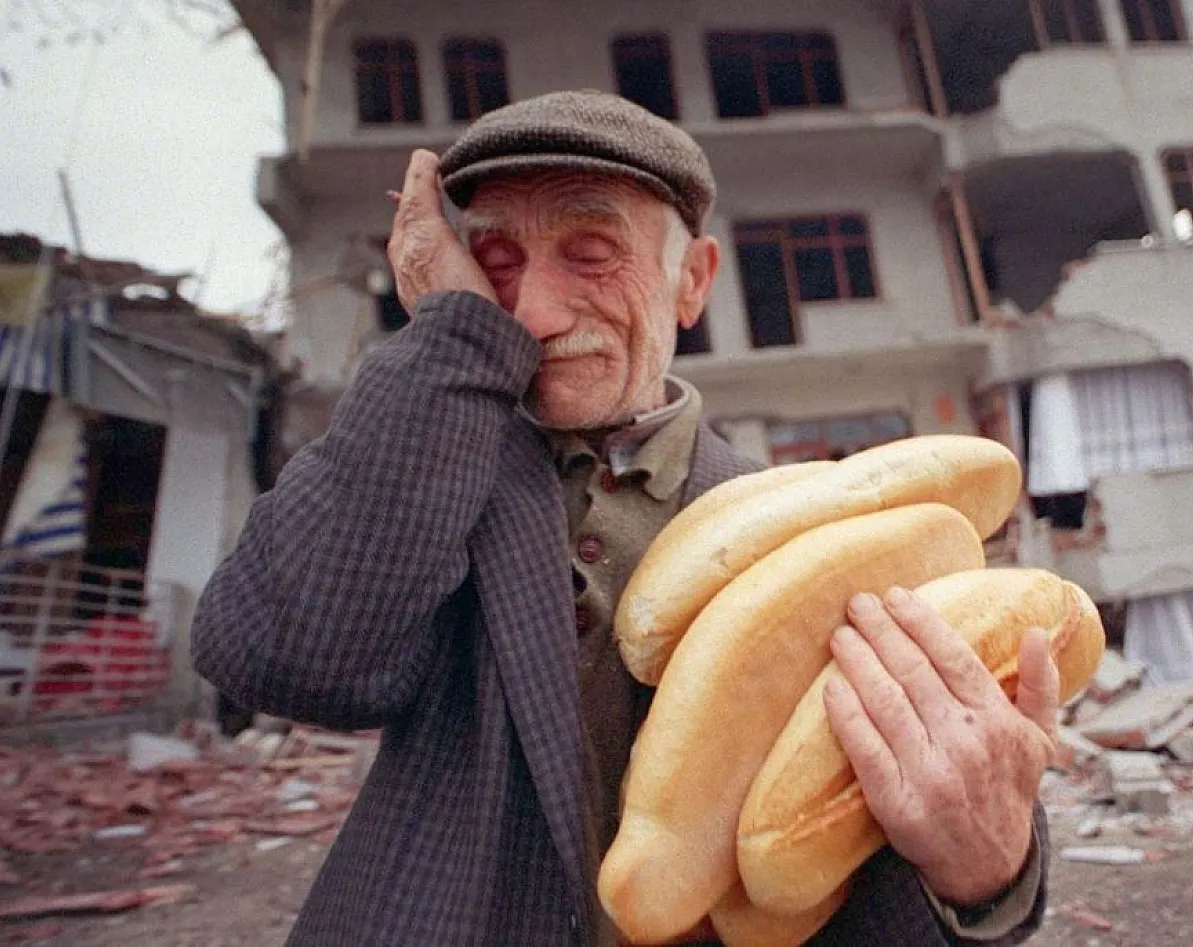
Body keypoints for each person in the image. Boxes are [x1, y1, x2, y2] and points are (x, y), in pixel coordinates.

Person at [191, 91, 1053, 946]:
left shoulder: (815, 534)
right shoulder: (428, 475)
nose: (532, 313)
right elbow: (279, 655)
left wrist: (989, 874)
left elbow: (873, 811)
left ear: (693, 281)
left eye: (591, 252)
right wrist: (453, 338)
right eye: (494, 262)